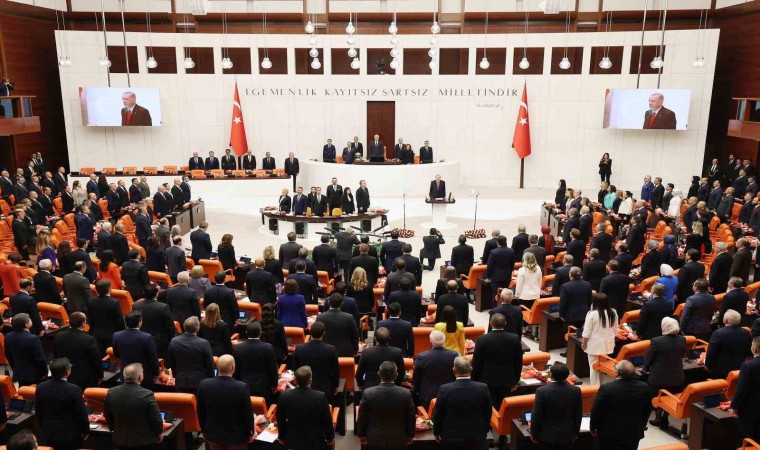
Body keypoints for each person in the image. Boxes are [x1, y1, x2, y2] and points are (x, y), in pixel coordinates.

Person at [589, 360, 652, 450]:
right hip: (633, 432)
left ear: (617, 373)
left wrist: (593, 427)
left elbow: (596, 410)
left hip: (609, 432)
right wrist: (641, 426)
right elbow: (647, 410)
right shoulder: (644, 387)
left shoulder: (606, 388)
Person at [196, 354, 255, 449]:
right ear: (233, 367)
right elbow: (247, 413)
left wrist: (203, 430)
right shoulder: (242, 387)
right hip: (237, 437)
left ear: (217, 366)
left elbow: (200, 411)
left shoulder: (204, 384)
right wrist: (250, 432)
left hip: (213, 435)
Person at [104, 363, 164, 449]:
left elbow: (107, 414)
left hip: (120, 439)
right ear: (140, 377)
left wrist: (114, 428)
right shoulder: (147, 394)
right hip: (144, 441)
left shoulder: (111, 393)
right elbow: (155, 418)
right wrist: (159, 433)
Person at [35, 358, 90, 450]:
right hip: (71, 435)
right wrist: (86, 430)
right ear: (68, 371)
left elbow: (38, 411)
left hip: (49, 432)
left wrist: (43, 427)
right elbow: (82, 414)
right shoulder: (74, 389)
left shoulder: (41, 387)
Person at [357, 361, 416, 448]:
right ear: (396, 375)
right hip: (398, 438)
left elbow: (362, 416)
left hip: (375, 437)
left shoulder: (368, 393)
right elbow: (411, 417)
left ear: (379, 374)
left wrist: (361, 434)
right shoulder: (406, 393)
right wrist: (411, 435)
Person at [277, 366, 335, 450]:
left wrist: (281, 436)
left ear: (295, 380)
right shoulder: (320, 397)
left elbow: (280, 419)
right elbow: (327, 420)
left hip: (293, 441)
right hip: (315, 441)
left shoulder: (284, 395)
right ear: (310, 380)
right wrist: (330, 437)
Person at [471, 313, 522, 408]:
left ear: (490, 323)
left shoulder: (482, 339)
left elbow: (476, 362)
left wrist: (474, 380)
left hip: (486, 380)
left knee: (488, 407)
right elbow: (518, 361)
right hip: (507, 379)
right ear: (505, 323)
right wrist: (516, 380)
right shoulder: (514, 338)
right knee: (504, 407)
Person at [645, 317, 687, 429]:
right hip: (677, 376)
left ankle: (658, 418)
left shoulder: (656, 341)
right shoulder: (682, 339)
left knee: (658, 396)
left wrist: (645, 368)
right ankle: (665, 417)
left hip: (659, 377)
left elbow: (649, 358)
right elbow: (682, 354)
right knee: (670, 396)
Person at [530, 362, 582, 449]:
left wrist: (533, 434)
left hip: (546, 436)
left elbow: (537, 415)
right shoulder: (576, 391)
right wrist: (576, 433)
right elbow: (578, 414)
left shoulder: (541, 391)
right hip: (567, 435)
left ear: (551, 375)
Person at [52, 312, 103, 390]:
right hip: (84, 379)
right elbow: (96, 360)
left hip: (63, 374)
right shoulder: (89, 340)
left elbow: (56, 356)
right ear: (83, 323)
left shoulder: (59, 336)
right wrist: (100, 375)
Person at [292, 321, 339, 402]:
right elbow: (335, 370)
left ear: (310, 332)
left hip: (303, 388)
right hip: (325, 389)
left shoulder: (299, 348)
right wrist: (336, 385)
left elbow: (295, 369)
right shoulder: (331, 350)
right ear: (324, 333)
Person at [166, 316, 214, 393]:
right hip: (199, 382)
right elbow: (209, 365)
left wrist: (176, 376)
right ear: (197, 328)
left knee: (182, 401)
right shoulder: (203, 343)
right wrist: (211, 380)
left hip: (181, 381)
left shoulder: (174, 341)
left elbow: (170, 362)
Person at [233, 321, 278, 402]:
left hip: (244, 387)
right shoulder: (268, 348)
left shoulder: (238, 348)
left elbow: (236, 370)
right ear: (261, 332)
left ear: (246, 332)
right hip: (263, 387)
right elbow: (272, 368)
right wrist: (275, 384)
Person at [582, 294, 618, 386]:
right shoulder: (613, 312)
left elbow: (587, 331)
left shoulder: (592, 314)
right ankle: (600, 384)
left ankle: (595, 387)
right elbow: (615, 329)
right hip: (608, 344)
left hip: (594, 345)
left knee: (594, 367)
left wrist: (584, 342)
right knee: (601, 366)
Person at [705, 309, 752, 377]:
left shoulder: (718, 333)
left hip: (719, 370)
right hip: (739, 369)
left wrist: (707, 365)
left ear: (725, 320)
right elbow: (748, 351)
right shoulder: (746, 332)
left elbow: (711, 352)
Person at [132, 283, 174, 359]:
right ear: (157, 294)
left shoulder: (136, 305)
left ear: (143, 293)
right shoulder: (163, 307)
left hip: (141, 339)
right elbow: (170, 326)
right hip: (160, 343)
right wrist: (170, 339)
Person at [5, 313, 47, 386]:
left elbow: (8, 356)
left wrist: (15, 369)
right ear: (26, 325)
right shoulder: (33, 338)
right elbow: (40, 359)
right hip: (35, 375)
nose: (31, 320)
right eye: (30, 319)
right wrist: (44, 373)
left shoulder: (8, 336)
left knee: (23, 391)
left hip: (19, 374)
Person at [732, 336, 760, 442]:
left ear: (754, 349)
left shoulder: (748, 366)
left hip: (750, 408)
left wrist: (734, 406)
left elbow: (741, 389)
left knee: (747, 437)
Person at [559, 267, 592, 338]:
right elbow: (590, 300)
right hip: (584, 314)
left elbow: (563, 303)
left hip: (570, 316)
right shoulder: (587, 284)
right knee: (581, 335)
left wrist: (561, 314)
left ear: (570, 274)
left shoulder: (565, 286)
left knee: (569, 336)